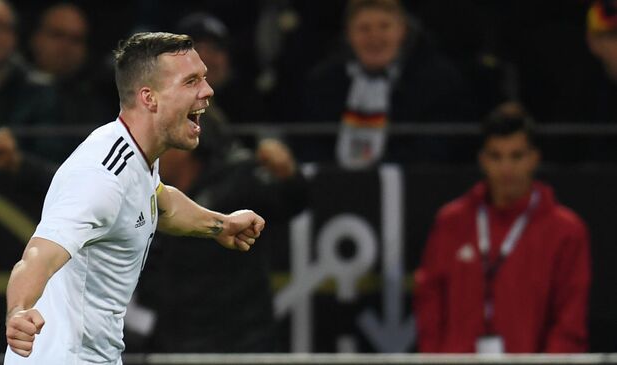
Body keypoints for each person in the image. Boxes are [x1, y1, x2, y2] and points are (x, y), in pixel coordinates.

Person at [3, 32, 266, 364]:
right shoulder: (100, 179)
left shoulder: (135, 154)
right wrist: (19, 311)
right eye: (191, 81)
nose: (207, 90)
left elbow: (161, 203)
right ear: (150, 98)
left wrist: (220, 225)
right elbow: (38, 255)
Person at [413, 102, 591, 353]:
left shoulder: (566, 230)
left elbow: (569, 318)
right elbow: (430, 303)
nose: (506, 168)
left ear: (534, 158)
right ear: (483, 160)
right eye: (496, 156)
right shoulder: (451, 221)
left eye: (516, 156)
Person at [133, 109, 307, 352]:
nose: (146, 153)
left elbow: (291, 202)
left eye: (156, 142)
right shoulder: (145, 193)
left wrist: (289, 175)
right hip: (174, 340)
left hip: (239, 340)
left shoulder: (237, 178)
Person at [301, 0, 475, 167]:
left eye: (384, 26)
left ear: (402, 31)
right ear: (348, 35)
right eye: (364, 28)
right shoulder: (323, 81)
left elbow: (437, 148)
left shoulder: (438, 80)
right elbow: (310, 145)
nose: (374, 37)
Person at [0, 0, 58, 166]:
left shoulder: (40, 93)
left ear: (14, 35)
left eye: (0, 27)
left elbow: (55, 163)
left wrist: (17, 160)